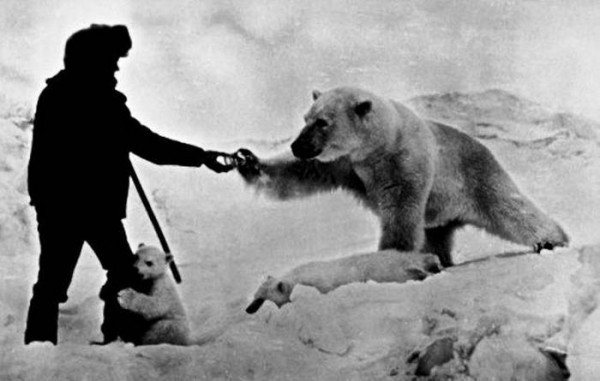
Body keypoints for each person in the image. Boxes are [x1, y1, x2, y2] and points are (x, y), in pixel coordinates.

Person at [25, 24, 233, 345]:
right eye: (113, 59)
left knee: (88, 279)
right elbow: (147, 144)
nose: (118, 66)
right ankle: (98, 343)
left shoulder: (69, 94)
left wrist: (200, 156)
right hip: (77, 208)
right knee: (96, 278)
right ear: (95, 59)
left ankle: (86, 346)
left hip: (76, 207)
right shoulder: (94, 98)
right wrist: (202, 157)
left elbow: (138, 141)